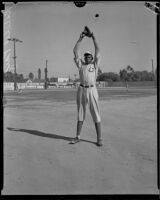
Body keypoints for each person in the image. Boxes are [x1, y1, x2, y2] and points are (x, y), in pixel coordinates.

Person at [71, 28, 102, 147]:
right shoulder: (81, 65)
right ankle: (78, 136)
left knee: (95, 113)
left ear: (92, 58)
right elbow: (75, 51)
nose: (87, 57)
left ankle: (99, 138)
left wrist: (93, 37)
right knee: (80, 113)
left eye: (89, 56)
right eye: (86, 56)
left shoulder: (95, 65)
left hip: (92, 90)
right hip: (81, 89)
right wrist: (81, 38)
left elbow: (98, 50)